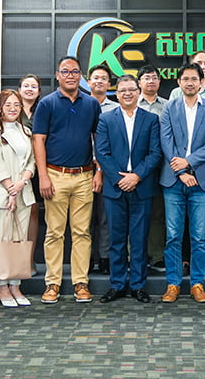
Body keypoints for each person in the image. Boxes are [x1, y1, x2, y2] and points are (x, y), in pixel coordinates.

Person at [33, 55, 102, 304]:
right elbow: (38, 140)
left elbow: (99, 139)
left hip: (84, 176)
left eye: (75, 71)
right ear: (58, 75)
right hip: (54, 176)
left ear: (80, 75)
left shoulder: (91, 104)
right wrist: (43, 176)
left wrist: (99, 171)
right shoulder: (47, 104)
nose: (70, 75)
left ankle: (80, 283)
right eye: (66, 71)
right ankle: (52, 283)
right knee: (54, 233)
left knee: (82, 232)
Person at [95, 75, 162, 303]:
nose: (127, 93)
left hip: (141, 187)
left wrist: (136, 176)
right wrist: (119, 178)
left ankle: (137, 285)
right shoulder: (106, 119)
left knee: (140, 238)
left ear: (138, 91)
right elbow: (102, 153)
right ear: (117, 93)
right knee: (116, 240)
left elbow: (155, 153)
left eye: (131, 89)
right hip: (115, 189)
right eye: (122, 90)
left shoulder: (151, 119)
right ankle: (117, 284)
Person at [159, 62, 205, 303]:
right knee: (173, 235)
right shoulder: (169, 108)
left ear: (201, 82)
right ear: (179, 82)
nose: (190, 83)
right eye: (185, 79)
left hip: (201, 180)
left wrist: (188, 163)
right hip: (173, 180)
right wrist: (181, 171)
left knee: (199, 236)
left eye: (194, 79)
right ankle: (173, 284)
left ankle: (197, 283)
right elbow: (166, 142)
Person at [0, 89, 36, 307]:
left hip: (23, 192)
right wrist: (10, 188)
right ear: (0, 108)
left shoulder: (25, 131)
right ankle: (2, 288)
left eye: (16, 105)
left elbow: (32, 161)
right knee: (1, 240)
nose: (13, 109)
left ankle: (16, 286)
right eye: (8, 105)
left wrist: (22, 182)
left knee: (19, 241)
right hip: (1, 195)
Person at [88, 64, 119, 276]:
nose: (99, 81)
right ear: (88, 82)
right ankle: (88, 259)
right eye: (95, 78)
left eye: (103, 78)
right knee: (85, 218)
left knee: (106, 217)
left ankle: (105, 258)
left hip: (107, 169)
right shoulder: (80, 104)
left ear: (109, 84)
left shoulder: (116, 110)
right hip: (82, 168)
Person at [137, 64, 169, 272]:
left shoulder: (168, 106)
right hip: (135, 168)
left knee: (158, 214)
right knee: (135, 214)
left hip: (161, 166)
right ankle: (136, 257)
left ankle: (157, 257)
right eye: (146, 78)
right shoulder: (130, 103)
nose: (151, 81)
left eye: (154, 77)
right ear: (139, 82)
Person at [18, 73, 42, 275]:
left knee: (33, 213)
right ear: (19, 90)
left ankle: (29, 260)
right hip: (12, 171)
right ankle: (13, 261)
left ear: (39, 91)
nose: (29, 89)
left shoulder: (42, 111)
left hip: (35, 170)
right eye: (26, 86)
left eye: (33, 86)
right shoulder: (9, 110)